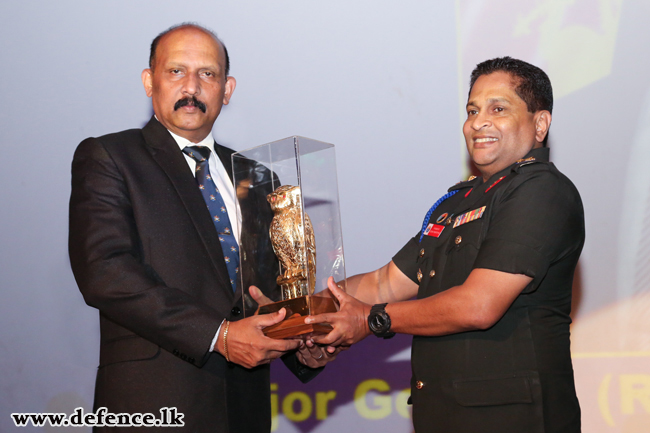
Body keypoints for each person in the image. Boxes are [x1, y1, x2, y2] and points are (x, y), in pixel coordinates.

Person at [69, 23, 330, 433]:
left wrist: (301, 345)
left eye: (207, 74)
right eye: (176, 71)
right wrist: (219, 335)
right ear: (149, 81)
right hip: (154, 403)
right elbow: (104, 272)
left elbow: (267, 290)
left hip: (244, 408)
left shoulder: (258, 178)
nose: (191, 86)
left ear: (227, 90)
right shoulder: (110, 157)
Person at [307, 57, 584, 432]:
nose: (477, 122)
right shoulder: (457, 203)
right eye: (472, 110)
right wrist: (299, 311)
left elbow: (479, 305)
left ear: (540, 124)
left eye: (497, 109)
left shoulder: (542, 191)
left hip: (513, 420)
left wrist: (371, 319)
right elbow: (383, 283)